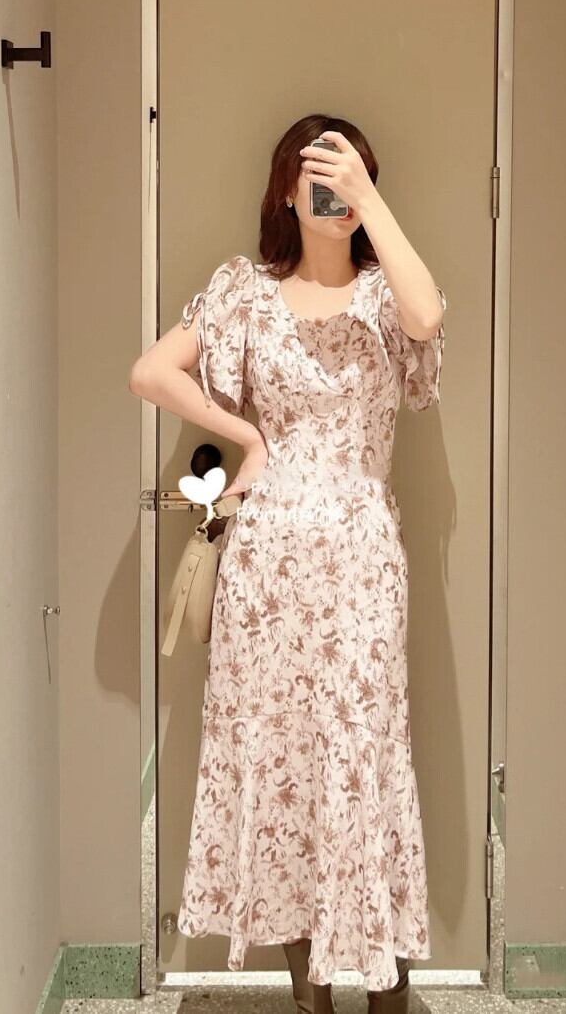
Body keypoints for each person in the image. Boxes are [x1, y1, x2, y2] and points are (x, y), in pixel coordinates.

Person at [129, 113, 446, 1013]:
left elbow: (428, 317)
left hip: (362, 561)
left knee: (362, 756)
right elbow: (151, 372)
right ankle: (310, 993)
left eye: (349, 174)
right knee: (282, 765)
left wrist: (370, 201)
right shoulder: (245, 292)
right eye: (317, 174)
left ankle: (386, 989)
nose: (332, 190)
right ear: (284, 189)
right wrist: (247, 436)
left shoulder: (388, 296)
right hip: (267, 566)